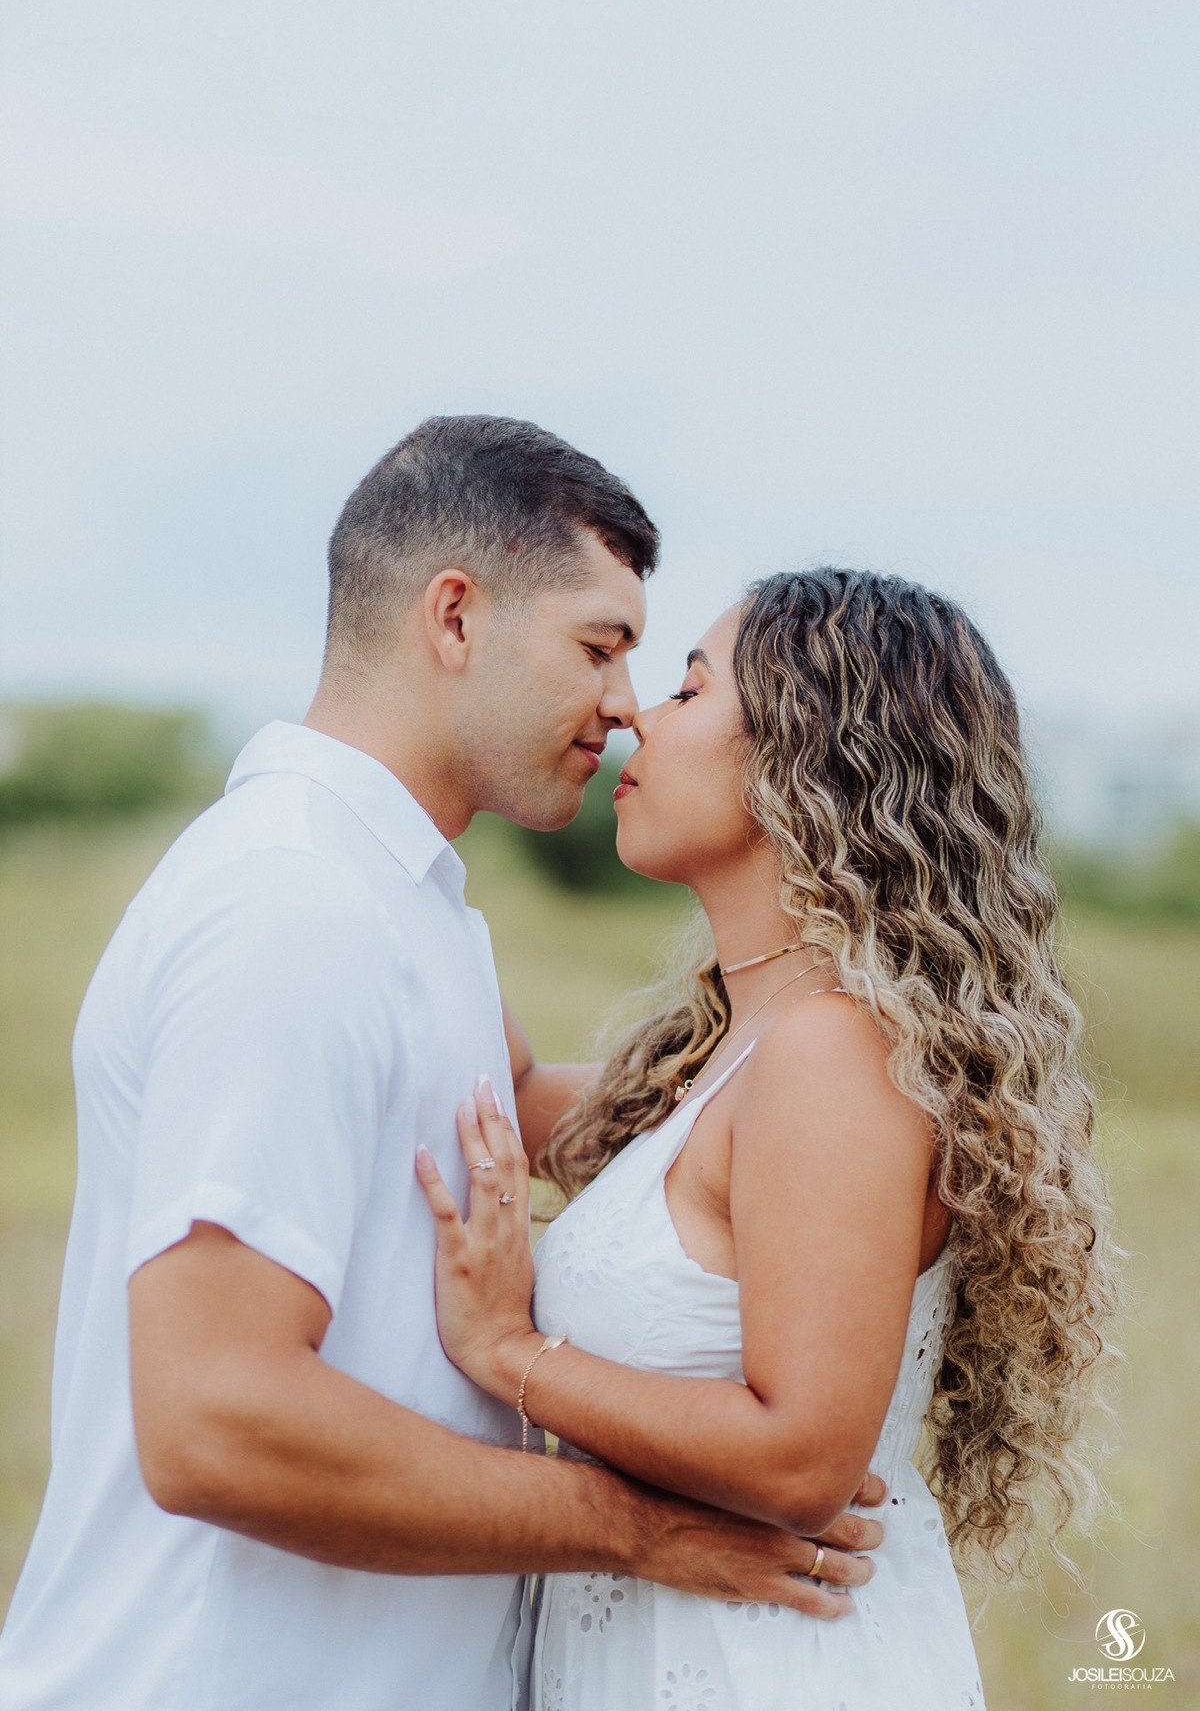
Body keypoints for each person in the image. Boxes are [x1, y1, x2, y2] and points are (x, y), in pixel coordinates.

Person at [0, 420, 887, 1711]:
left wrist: (852, 1073)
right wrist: (636, 1527)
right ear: (456, 618)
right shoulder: (291, 908)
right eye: (600, 646)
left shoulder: (406, 906)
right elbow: (213, 1417)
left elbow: (570, 1125)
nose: (625, 705)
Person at [415, 568, 1122, 1711]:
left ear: (805, 758)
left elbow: (801, 1459)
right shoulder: (737, 1052)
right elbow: (515, 1089)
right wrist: (435, 801)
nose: (639, 713)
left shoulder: (833, 1056)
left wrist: (511, 1358)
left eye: (690, 692)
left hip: (767, 1672)